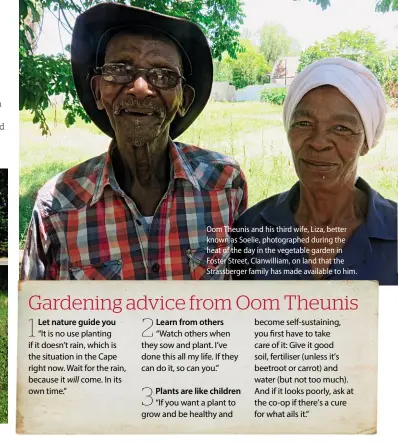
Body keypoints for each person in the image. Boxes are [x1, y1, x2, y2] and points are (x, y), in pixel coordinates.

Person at [21, 3, 247, 280]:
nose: (140, 89)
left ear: (183, 100)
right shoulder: (56, 205)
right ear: (98, 91)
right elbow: (33, 318)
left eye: (163, 75)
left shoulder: (225, 183)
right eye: (120, 69)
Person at [231, 58, 397, 284]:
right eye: (304, 123)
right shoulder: (251, 228)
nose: (318, 142)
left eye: (342, 128)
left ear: (366, 143)